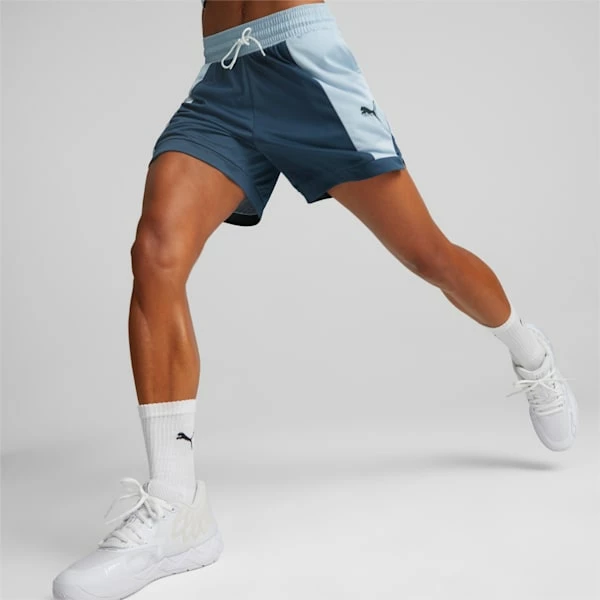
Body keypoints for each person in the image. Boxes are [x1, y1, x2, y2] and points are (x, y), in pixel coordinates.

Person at [52, 1, 578, 598]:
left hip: (303, 68)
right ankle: (176, 508)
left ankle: (530, 353)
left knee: (427, 255)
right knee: (155, 254)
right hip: (224, 73)